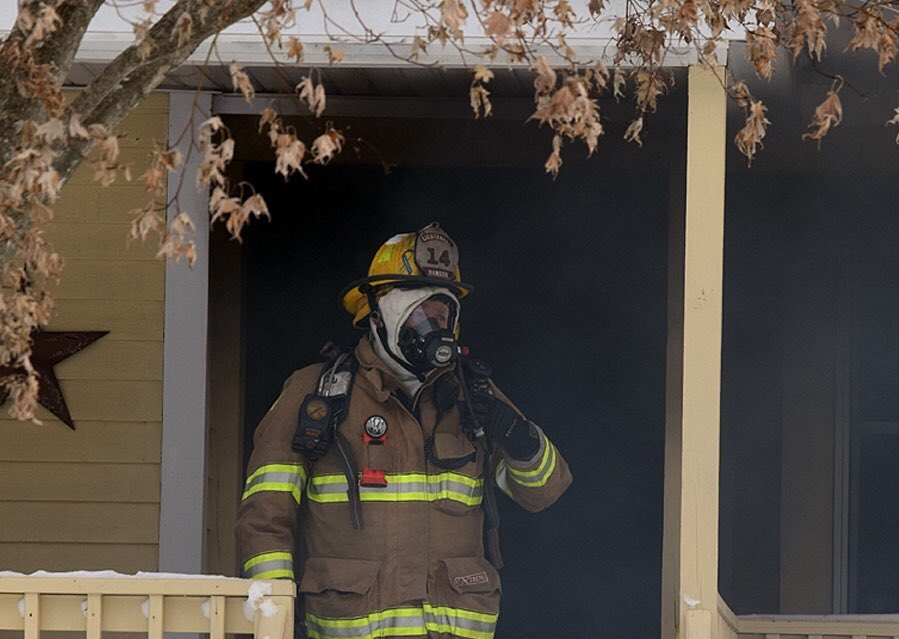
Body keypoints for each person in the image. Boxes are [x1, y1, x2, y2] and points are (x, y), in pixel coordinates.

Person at [235, 222, 572, 639]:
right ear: (381, 313)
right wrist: (274, 619)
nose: (435, 323)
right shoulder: (315, 393)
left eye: (443, 311)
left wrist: (519, 437)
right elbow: (265, 518)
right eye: (421, 310)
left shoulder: (473, 396)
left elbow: (545, 491)